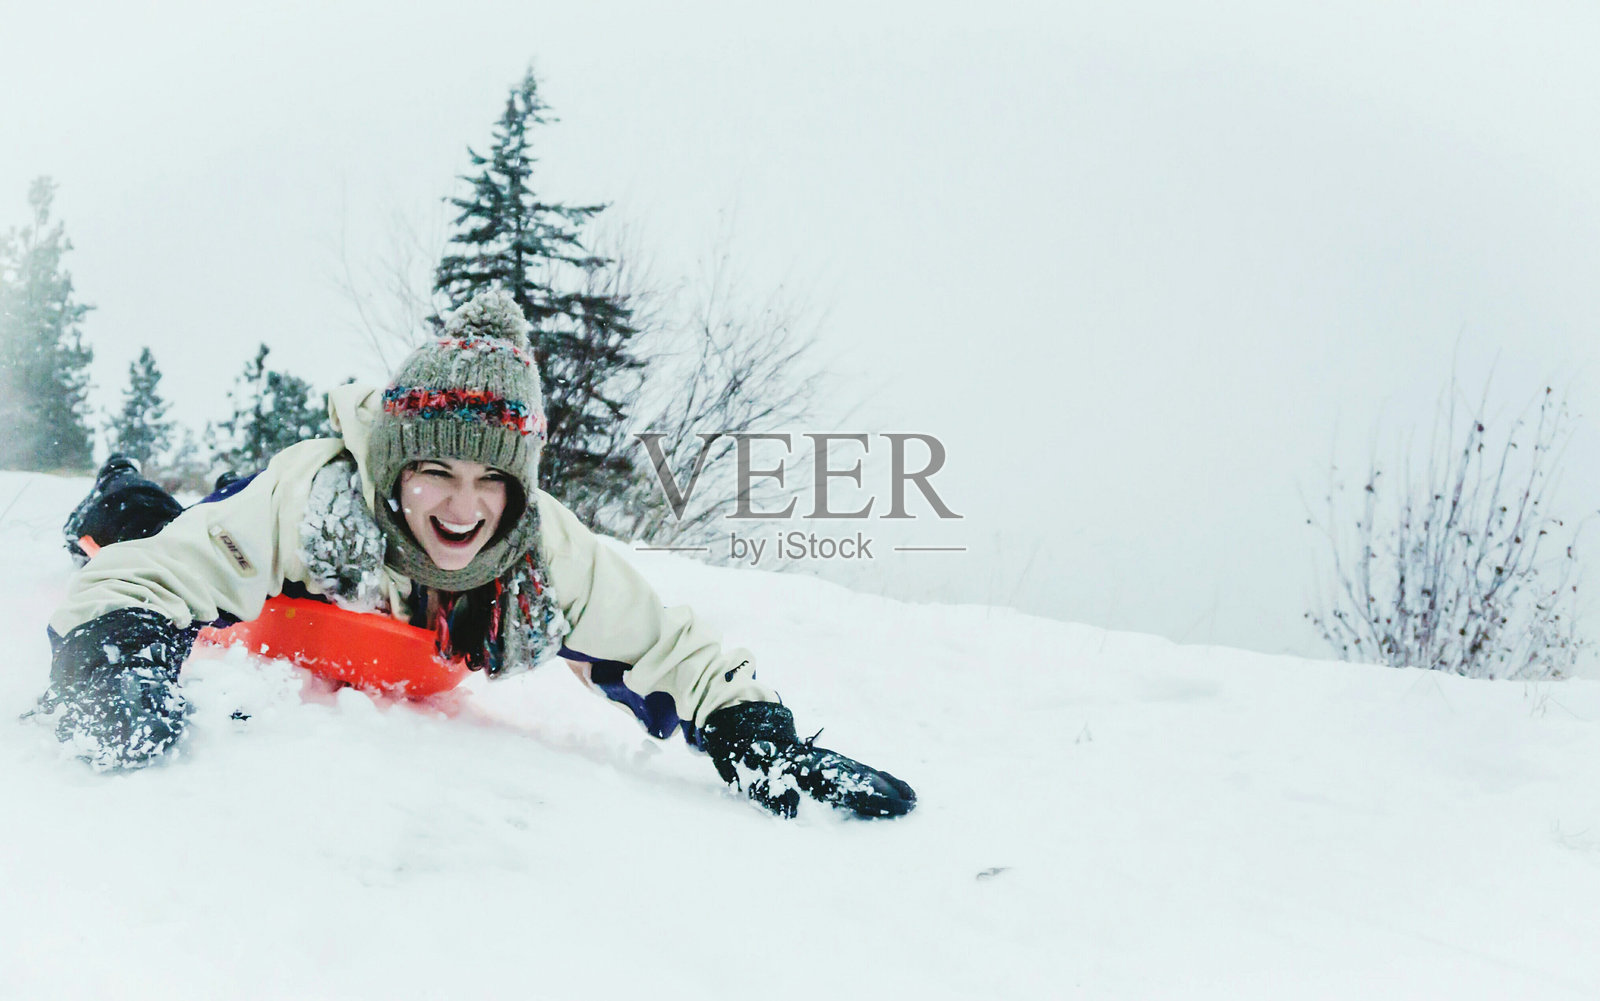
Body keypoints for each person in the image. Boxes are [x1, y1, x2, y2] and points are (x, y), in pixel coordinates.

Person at [39, 290, 915, 820]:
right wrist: (111, 664)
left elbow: (662, 647)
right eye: (434, 471)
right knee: (134, 526)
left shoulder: (539, 553)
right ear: (393, 468)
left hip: (372, 638)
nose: (464, 507)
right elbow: (159, 574)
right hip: (267, 585)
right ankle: (116, 485)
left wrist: (758, 738)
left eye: (490, 480)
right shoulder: (315, 496)